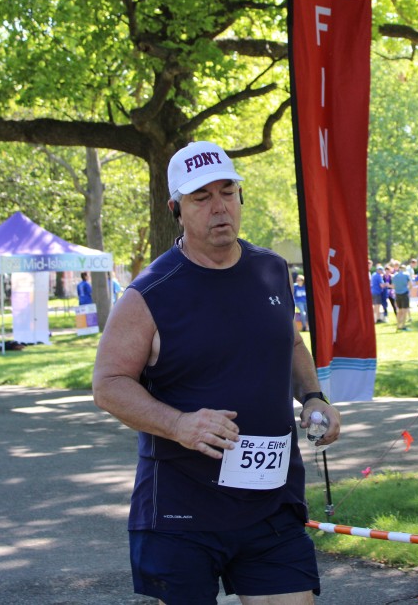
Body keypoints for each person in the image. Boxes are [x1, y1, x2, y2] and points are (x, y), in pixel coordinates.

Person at [92, 140, 339, 605]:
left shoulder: (271, 269)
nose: (219, 207)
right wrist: (179, 424)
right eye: (201, 197)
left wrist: (312, 397)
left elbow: (290, 342)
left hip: (270, 500)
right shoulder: (149, 293)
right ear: (176, 210)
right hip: (183, 509)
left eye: (227, 192)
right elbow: (108, 385)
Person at [391, 260, 412, 331]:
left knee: (399, 310)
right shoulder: (406, 275)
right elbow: (410, 285)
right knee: (404, 310)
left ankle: (398, 325)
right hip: (404, 293)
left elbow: (393, 286)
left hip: (397, 294)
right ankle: (403, 325)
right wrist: (407, 289)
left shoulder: (394, 276)